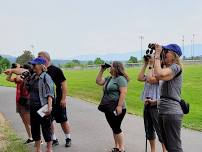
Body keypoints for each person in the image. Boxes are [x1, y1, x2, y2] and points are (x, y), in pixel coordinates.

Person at [154, 44, 184, 152]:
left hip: (171, 112)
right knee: (168, 146)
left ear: (174, 55)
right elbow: (154, 76)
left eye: (166, 51)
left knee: (174, 148)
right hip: (164, 111)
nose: (164, 53)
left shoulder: (176, 67)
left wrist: (157, 54)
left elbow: (159, 74)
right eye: (164, 51)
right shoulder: (167, 68)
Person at [38, 51, 71, 147]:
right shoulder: (40, 71)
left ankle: (68, 138)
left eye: (39, 57)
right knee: (49, 121)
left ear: (45, 59)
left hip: (58, 100)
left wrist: (63, 99)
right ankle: (54, 139)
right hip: (46, 102)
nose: (38, 59)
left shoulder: (56, 70)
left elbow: (64, 85)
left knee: (63, 120)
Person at [96, 61, 129, 152]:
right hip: (108, 107)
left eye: (111, 66)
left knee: (116, 127)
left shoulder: (121, 79)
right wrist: (102, 70)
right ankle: (117, 147)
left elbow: (123, 93)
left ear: (116, 68)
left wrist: (119, 106)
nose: (110, 67)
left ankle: (121, 148)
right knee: (113, 127)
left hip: (118, 107)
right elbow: (98, 81)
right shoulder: (109, 78)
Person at [137, 56, 166, 152]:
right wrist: (145, 64)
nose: (151, 58)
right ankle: (152, 150)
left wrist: (152, 65)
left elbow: (150, 79)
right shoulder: (151, 70)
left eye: (154, 56)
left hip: (156, 105)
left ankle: (164, 150)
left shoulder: (162, 72)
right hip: (147, 104)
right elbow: (140, 78)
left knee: (160, 130)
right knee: (149, 130)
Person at [26, 57, 54, 152]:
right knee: (35, 129)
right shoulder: (33, 76)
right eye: (32, 64)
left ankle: (49, 149)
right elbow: (28, 89)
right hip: (33, 107)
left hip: (43, 107)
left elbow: (50, 93)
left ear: (41, 66)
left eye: (35, 64)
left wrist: (49, 107)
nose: (33, 66)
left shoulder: (46, 77)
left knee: (46, 128)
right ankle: (38, 149)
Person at [4, 64, 33, 144]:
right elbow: (8, 79)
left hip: (26, 101)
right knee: (24, 121)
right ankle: (30, 138)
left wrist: (12, 70)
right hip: (19, 101)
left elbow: (20, 76)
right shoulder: (18, 78)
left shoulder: (27, 76)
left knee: (29, 121)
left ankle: (38, 138)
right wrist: (10, 72)